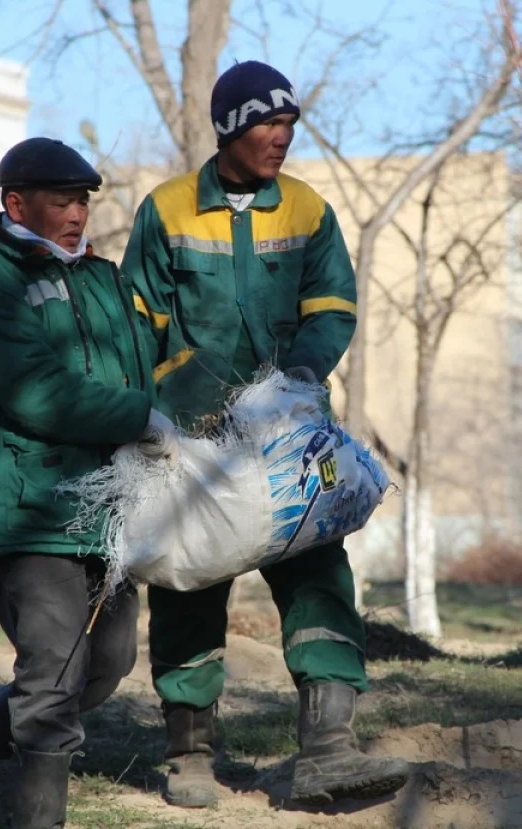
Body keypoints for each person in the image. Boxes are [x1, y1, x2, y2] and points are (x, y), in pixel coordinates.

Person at [120, 60, 411, 808]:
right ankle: (189, 753)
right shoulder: (169, 209)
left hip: (293, 436)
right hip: (194, 436)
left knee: (320, 572)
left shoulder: (308, 211)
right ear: (227, 129)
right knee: (191, 580)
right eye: (266, 125)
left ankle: (329, 744)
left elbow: (333, 307)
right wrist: (139, 413)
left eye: (289, 125)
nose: (281, 138)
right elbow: (137, 324)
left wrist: (300, 378)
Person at [0, 137, 179, 828]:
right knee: (53, 676)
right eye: (61, 201)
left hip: (103, 508)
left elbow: (141, 362)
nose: (76, 214)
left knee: (108, 662)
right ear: (16, 203)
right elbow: (36, 391)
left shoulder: (99, 277)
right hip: (23, 506)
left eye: (83, 201)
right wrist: (139, 416)